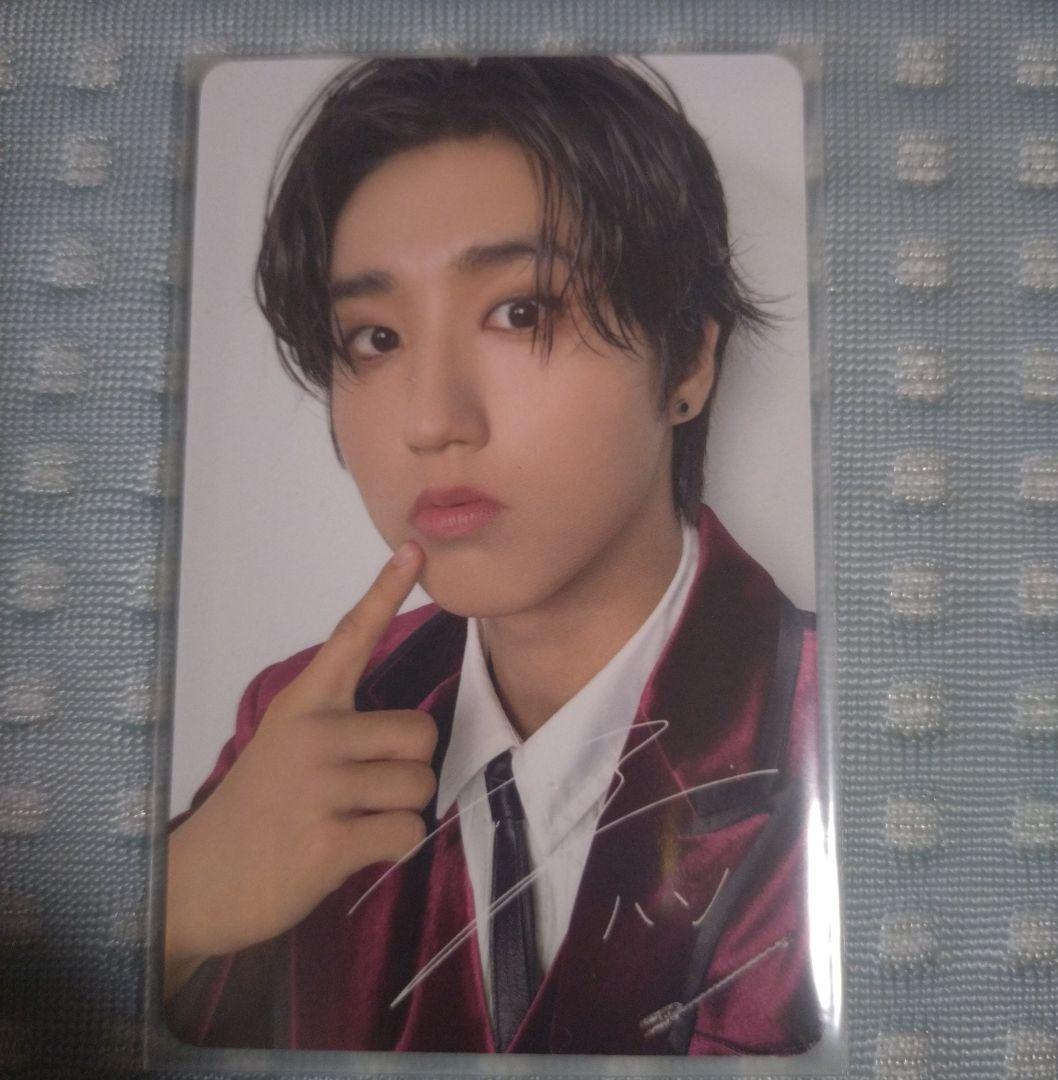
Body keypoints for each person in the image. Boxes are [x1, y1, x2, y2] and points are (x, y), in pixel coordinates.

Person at [165, 55, 821, 1055]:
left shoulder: (849, 727)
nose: (432, 421)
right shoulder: (302, 722)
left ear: (688, 355)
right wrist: (174, 905)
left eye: (523, 313)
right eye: (375, 337)